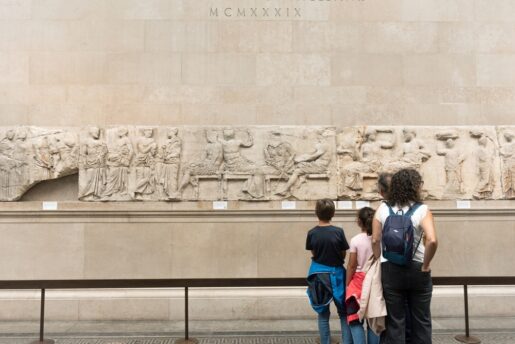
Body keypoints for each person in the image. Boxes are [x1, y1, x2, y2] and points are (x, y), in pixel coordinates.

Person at [372, 169, 438, 344]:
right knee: (421, 320)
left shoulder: (383, 209)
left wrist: (379, 259)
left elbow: (375, 239)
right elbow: (431, 240)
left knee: (395, 321)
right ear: (414, 187)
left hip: (391, 269)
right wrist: (426, 264)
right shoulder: (422, 209)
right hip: (418, 268)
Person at [306, 199, 351, 344]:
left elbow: (313, 252)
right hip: (337, 274)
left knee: (323, 314)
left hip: (319, 275)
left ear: (316, 213)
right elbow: (343, 253)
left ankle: (325, 341)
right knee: (344, 314)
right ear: (333, 213)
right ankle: (346, 341)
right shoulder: (338, 232)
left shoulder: (312, 233)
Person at [345, 207, 381, 344]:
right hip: (374, 282)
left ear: (359, 222)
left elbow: (352, 265)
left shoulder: (355, 240)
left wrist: (347, 284)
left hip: (357, 284)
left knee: (354, 321)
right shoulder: (379, 239)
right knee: (373, 321)